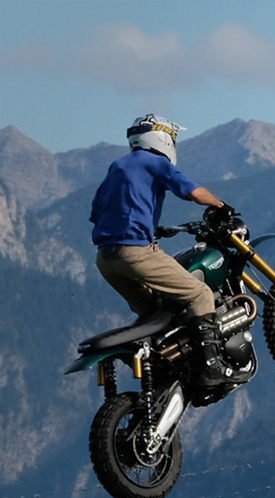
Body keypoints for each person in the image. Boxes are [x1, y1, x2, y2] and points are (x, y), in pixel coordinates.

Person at [90, 114, 242, 388]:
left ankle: (163, 366)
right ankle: (211, 369)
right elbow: (193, 193)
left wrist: (146, 226)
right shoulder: (156, 162)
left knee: (157, 314)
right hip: (136, 254)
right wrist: (220, 206)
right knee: (199, 294)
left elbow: (98, 212)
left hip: (105, 259)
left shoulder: (117, 166)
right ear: (161, 138)